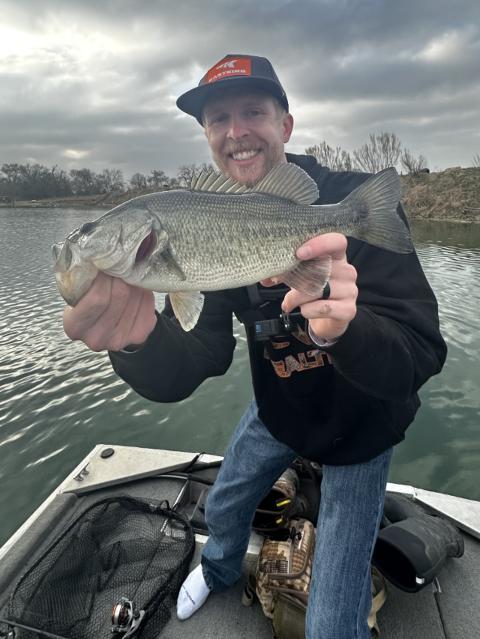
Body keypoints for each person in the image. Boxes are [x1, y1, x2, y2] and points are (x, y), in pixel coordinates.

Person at [63, 54, 447, 638]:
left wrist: (347, 329)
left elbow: (422, 352)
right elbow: (200, 355)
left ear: (285, 125)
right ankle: (216, 570)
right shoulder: (201, 221)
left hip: (364, 424)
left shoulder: (352, 201)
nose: (236, 131)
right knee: (222, 507)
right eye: (218, 119)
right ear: (206, 136)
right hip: (281, 407)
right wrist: (139, 342)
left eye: (253, 112)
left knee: (331, 625)